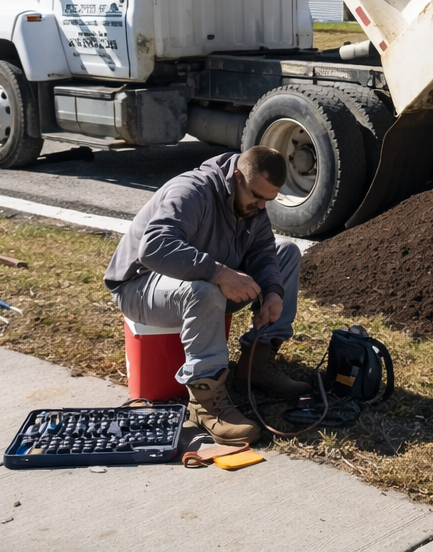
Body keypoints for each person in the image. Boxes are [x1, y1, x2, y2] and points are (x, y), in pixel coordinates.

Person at [105, 146, 311, 443]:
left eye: (269, 199)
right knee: (204, 289)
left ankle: (258, 364)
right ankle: (205, 402)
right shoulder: (191, 191)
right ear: (238, 177)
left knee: (286, 253)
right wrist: (220, 273)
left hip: (199, 282)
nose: (262, 206)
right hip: (140, 286)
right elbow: (152, 248)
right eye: (257, 196)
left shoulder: (253, 203)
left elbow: (264, 252)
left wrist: (273, 293)